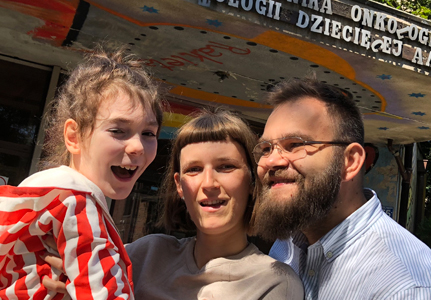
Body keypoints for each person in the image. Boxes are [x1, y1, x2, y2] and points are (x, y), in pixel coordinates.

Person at [0, 47, 163, 300]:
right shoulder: (77, 202)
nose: (138, 146)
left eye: (149, 133)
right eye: (118, 130)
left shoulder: (36, 193)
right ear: (73, 137)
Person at [251, 77, 431, 299]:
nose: (270, 161)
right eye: (266, 148)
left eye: (296, 144)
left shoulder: (404, 287)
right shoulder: (286, 243)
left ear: (350, 162)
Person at [125, 109, 304, 299]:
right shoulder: (145, 255)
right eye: (194, 169)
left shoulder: (274, 282)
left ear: (252, 180)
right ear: (179, 185)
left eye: (226, 167)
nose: (209, 183)